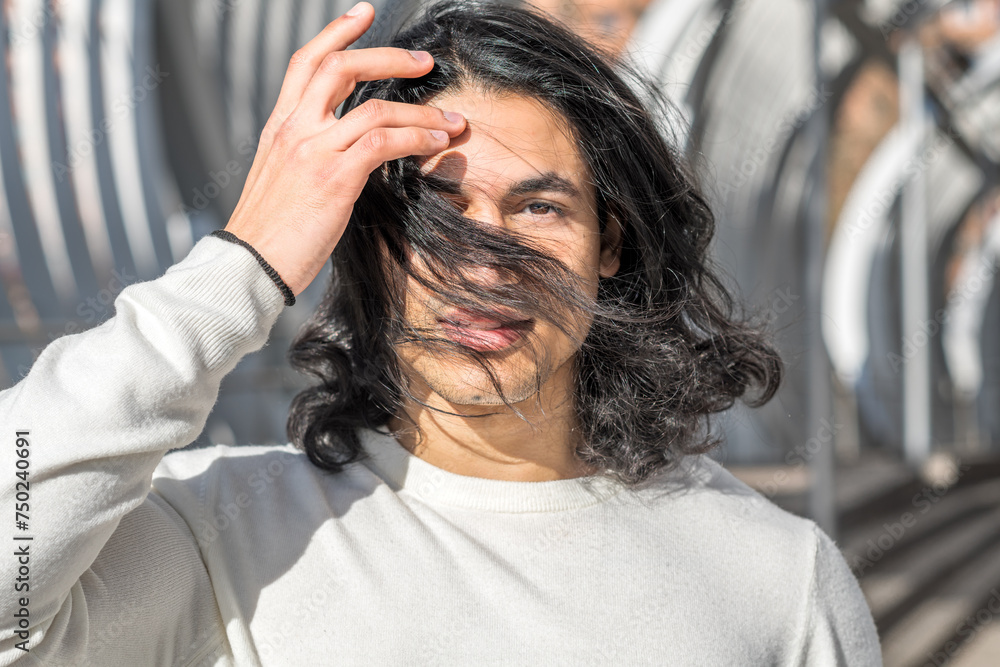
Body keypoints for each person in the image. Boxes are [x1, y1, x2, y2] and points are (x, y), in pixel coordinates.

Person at [0, 1, 882, 664]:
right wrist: (245, 261)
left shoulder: (776, 578)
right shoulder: (218, 537)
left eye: (538, 207)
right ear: (366, 244)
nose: (485, 266)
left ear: (608, 244)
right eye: (435, 211)